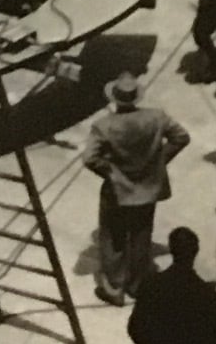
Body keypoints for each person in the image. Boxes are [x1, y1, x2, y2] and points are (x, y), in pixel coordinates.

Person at [80, 72, 191, 304]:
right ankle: (138, 284)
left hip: (117, 192)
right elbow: (181, 137)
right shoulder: (156, 117)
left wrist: (112, 172)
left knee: (113, 237)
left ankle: (115, 288)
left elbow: (90, 158)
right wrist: (159, 162)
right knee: (142, 235)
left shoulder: (104, 125)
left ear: (114, 98)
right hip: (148, 189)